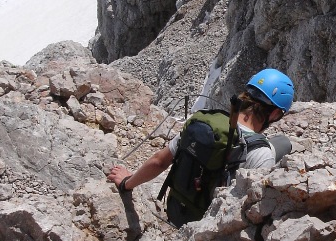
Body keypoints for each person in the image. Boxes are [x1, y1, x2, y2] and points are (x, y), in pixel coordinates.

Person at [107, 69, 294, 224]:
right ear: (276, 113)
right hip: (206, 226)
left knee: (282, 144)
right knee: (282, 145)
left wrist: (126, 183)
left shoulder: (204, 122)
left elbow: (159, 161)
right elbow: (252, 207)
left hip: (175, 211)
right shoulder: (261, 153)